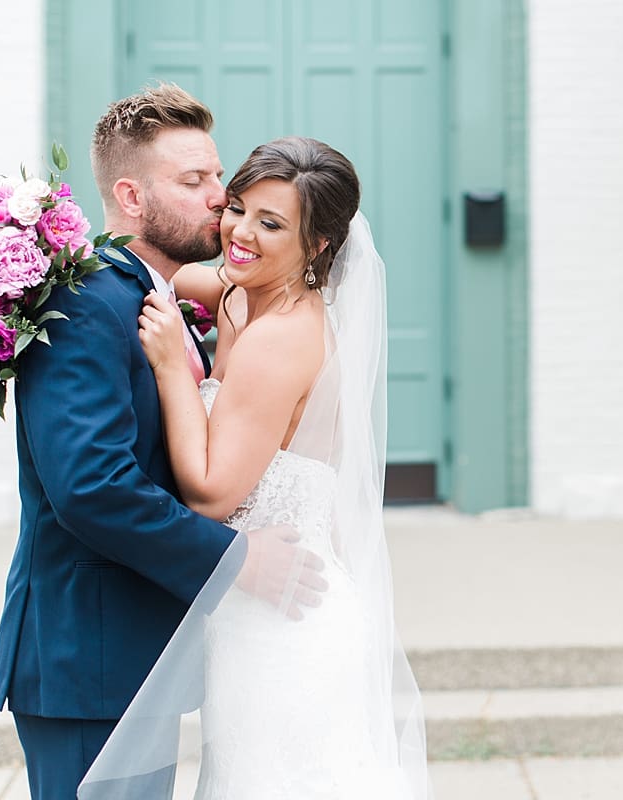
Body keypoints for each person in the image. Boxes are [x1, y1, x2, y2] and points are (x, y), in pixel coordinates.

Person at [0, 85, 327, 800]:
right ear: (132, 198)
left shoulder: (162, 295)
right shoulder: (85, 304)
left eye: (217, 175)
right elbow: (92, 486)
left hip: (137, 652)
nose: (219, 197)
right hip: (87, 659)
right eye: (193, 181)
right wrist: (237, 561)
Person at [78, 137, 430, 798]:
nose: (239, 233)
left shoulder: (283, 337)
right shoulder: (239, 293)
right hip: (246, 614)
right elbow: (157, 270)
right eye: (237, 208)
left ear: (320, 245)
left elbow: (211, 495)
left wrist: (168, 367)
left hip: (290, 624)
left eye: (271, 224)